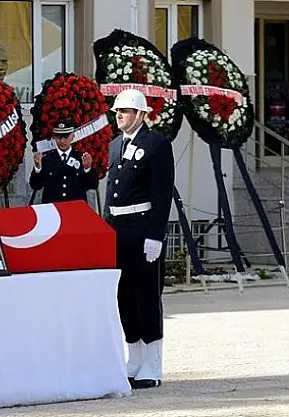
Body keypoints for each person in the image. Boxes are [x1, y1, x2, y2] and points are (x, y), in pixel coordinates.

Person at [102, 89, 174, 389]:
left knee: (146, 295)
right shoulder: (115, 144)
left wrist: (155, 235)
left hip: (143, 228)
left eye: (125, 111)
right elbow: (110, 192)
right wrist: (105, 232)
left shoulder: (156, 144)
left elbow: (162, 192)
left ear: (141, 114)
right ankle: (134, 357)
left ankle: (152, 363)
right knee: (124, 296)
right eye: (117, 111)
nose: (119, 115)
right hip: (118, 228)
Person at [29, 120, 96, 204]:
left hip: (75, 207)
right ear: (54, 137)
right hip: (53, 208)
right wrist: (38, 168)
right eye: (59, 137)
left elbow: (93, 185)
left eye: (66, 137)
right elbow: (35, 185)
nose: (62, 141)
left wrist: (87, 169)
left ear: (72, 136)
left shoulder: (81, 158)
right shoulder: (46, 159)